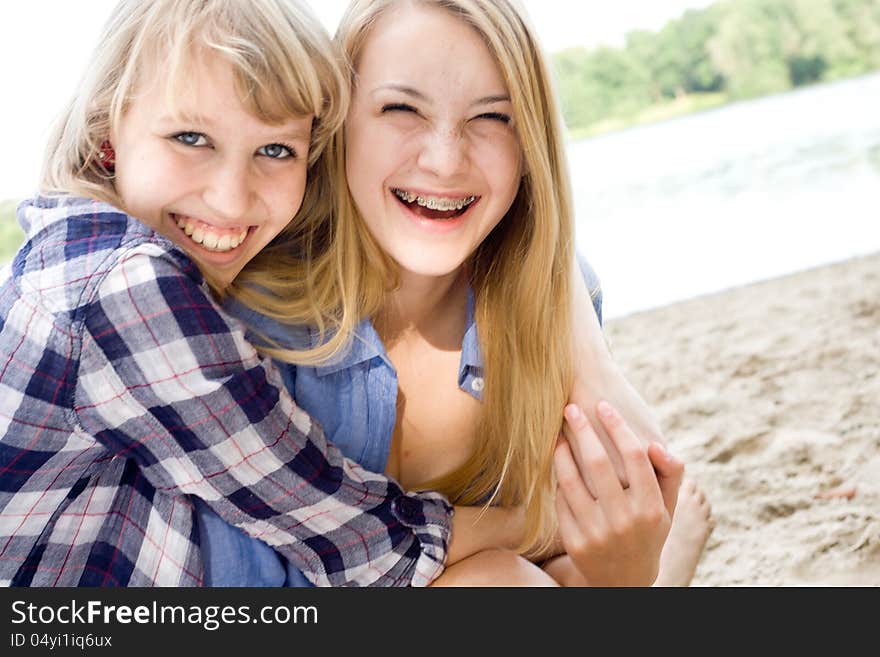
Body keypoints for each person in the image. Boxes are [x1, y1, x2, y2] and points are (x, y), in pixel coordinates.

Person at [0, 0, 529, 587]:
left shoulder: (71, 253)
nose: (231, 198)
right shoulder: (124, 287)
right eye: (190, 137)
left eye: (276, 150)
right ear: (106, 137)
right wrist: (538, 525)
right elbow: (360, 544)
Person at [198, 0, 710, 586]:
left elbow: (564, 559)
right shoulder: (252, 316)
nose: (444, 161)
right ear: (335, 126)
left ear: (529, 148)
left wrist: (626, 571)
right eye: (400, 108)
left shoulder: (546, 296)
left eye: (493, 118)